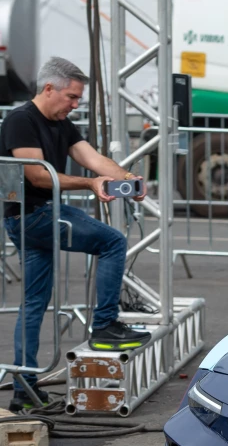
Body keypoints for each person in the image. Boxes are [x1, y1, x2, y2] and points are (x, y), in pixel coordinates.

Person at [0, 57, 151, 410]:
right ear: (48, 89)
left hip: (38, 215)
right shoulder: (20, 121)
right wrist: (91, 182)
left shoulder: (62, 124)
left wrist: (126, 178)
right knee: (112, 241)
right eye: (71, 97)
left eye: (78, 98)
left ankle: (24, 389)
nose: (74, 104)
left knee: (35, 302)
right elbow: (38, 177)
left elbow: (94, 159)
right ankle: (104, 327)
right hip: (32, 216)